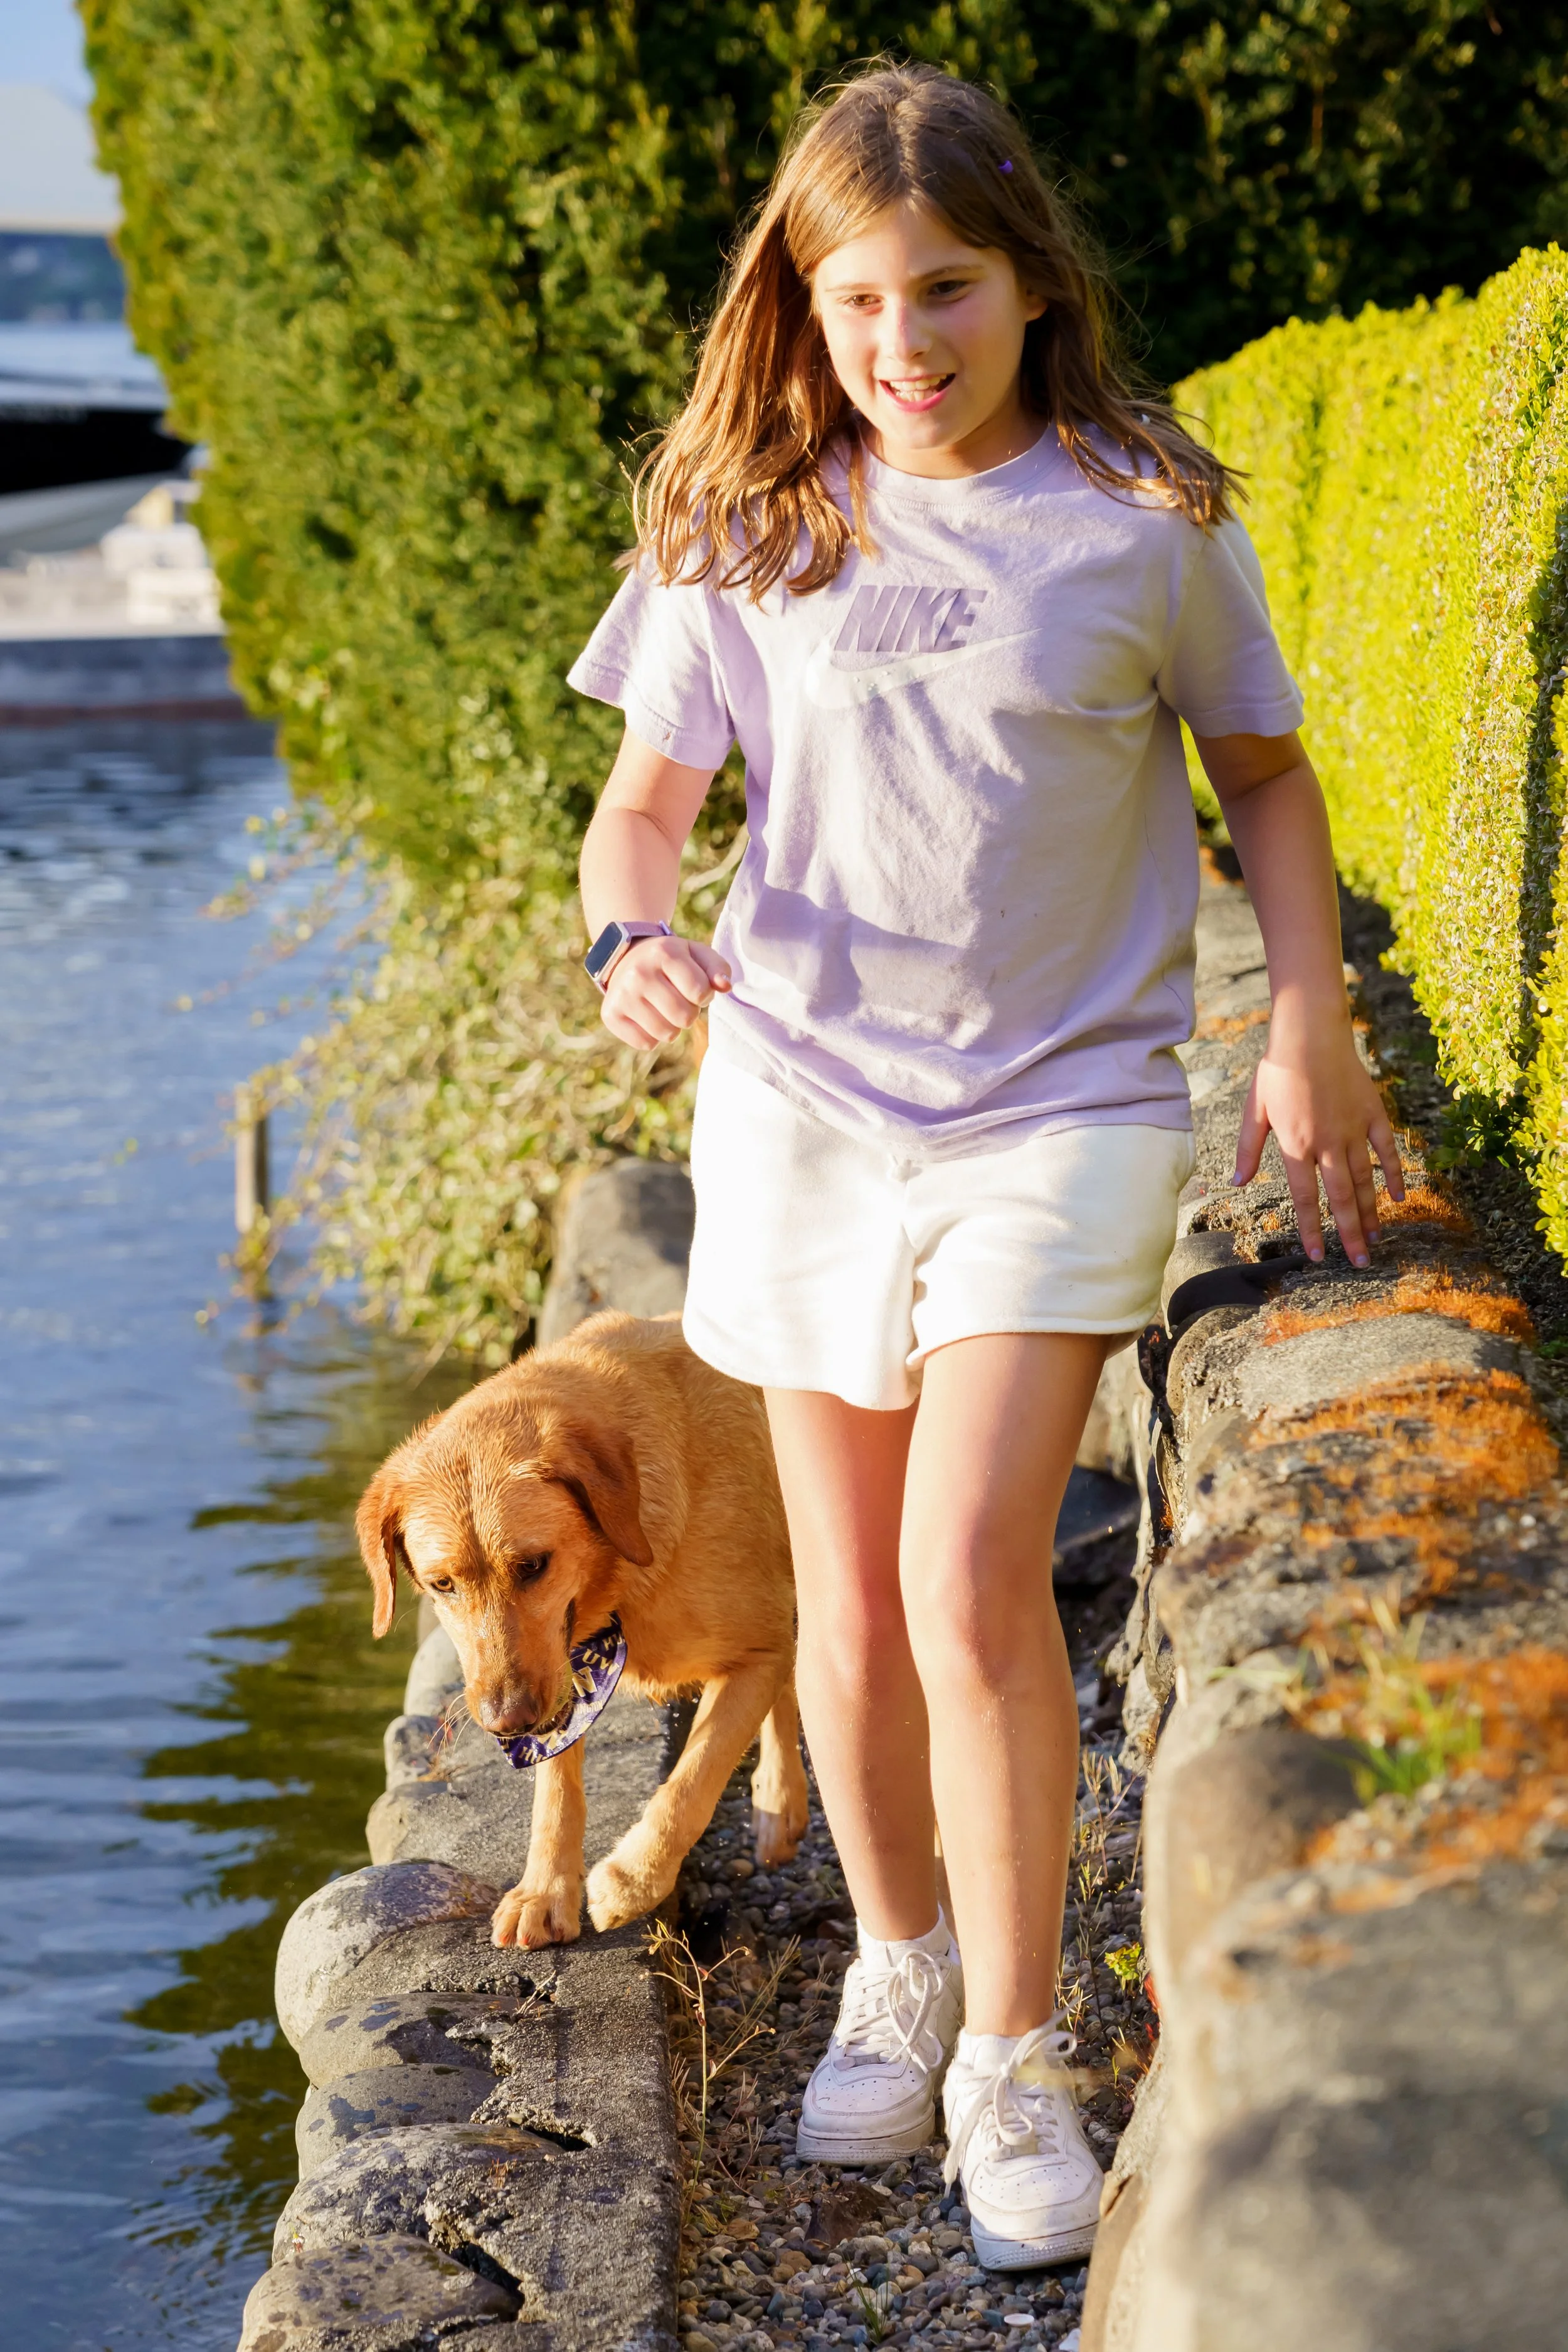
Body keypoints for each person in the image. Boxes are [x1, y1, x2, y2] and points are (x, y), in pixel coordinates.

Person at [568, 63, 1402, 2271]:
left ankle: (1014, 2056)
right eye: (854, 299)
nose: (901, 340)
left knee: (962, 1579)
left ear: (1029, 281)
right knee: (843, 1608)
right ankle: (900, 1961)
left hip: (1062, 1108)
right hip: (799, 1110)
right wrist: (628, 930)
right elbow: (643, 810)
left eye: (943, 288)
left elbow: (1271, 780)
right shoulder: (746, 520)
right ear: (804, 304)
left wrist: (1304, 1014)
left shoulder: (1140, 512)